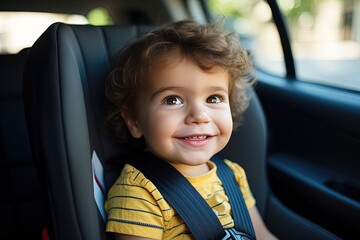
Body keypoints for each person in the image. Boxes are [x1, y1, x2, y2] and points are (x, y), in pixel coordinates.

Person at [104, 19, 277, 240]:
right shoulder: (139, 193)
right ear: (134, 121)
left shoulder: (233, 175)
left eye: (214, 98)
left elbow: (262, 236)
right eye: (172, 100)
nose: (199, 116)